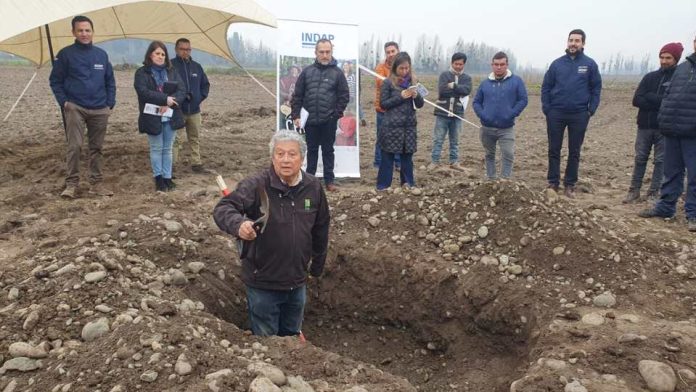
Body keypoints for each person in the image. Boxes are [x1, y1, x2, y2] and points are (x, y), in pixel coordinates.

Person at [213, 130, 330, 336]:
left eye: (292, 154)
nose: (286, 160)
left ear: (302, 158)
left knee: (292, 335)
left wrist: (316, 268)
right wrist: (239, 225)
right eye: (280, 154)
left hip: (297, 281)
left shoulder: (313, 187)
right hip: (263, 283)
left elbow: (321, 228)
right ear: (272, 157)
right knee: (268, 343)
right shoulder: (256, 185)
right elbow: (223, 208)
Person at [49, 15, 116, 199]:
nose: (84, 34)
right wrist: (64, 102)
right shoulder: (65, 54)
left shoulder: (101, 55)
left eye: (87, 30)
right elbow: (55, 80)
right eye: (80, 30)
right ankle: (71, 184)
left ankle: (97, 183)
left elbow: (110, 80)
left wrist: (110, 103)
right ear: (73, 32)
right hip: (75, 107)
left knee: (97, 147)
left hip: (100, 108)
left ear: (92, 32)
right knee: (75, 146)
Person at [639, 37, 696, 231]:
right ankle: (665, 207)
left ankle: (693, 214)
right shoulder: (683, 68)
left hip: (693, 133)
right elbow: (668, 96)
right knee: (671, 172)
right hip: (672, 130)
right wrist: (664, 119)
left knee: (695, 176)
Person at [541, 28, 602, 198]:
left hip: (579, 114)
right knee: (554, 149)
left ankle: (570, 184)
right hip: (556, 113)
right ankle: (553, 182)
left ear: (583, 44)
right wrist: (547, 108)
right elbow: (546, 86)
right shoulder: (557, 64)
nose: (573, 43)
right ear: (567, 42)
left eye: (577, 41)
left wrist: (591, 109)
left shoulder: (589, 64)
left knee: (574, 150)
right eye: (571, 40)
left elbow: (596, 88)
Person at [623, 43, 683, 204]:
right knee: (640, 158)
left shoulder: (678, 79)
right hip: (644, 126)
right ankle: (634, 190)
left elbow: (672, 103)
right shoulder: (650, 77)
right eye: (662, 57)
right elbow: (636, 100)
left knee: (660, 161)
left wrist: (650, 97)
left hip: (664, 128)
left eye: (668, 58)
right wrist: (660, 101)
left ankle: (653, 193)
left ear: (676, 59)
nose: (664, 61)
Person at [291, 39, 349, 192]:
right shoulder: (307, 72)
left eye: (327, 52)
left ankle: (329, 181)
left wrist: (335, 115)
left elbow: (344, 96)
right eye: (321, 52)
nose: (325, 55)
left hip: (328, 121)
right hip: (310, 121)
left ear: (331, 52)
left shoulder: (338, 73)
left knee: (328, 151)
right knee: (312, 150)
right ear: (315, 53)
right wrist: (296, 115)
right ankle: (310, 180)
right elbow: (297, 95)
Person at [134, 41, 186, 192]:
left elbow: (182, 90)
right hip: (152, 116)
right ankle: (158, 179)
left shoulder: (172, 71)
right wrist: (164, 99)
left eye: (163, 54)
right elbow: (143, 92)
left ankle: (167, 178)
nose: (160, 56)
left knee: (167, 148)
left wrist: (170, 103)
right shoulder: (142, 73)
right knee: (156, 148)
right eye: (157, 53)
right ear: (150, 54)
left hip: (170, 115)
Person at [473, 52, 528, 180]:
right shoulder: (485, 83)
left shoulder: (516, 81)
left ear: (507, 65)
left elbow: (523, 100)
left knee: (508, 153)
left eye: (502, 64)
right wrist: (483, 115)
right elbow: (476, 102)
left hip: (506, 128)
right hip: (487, 128)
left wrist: (512, 113)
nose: (499, 67)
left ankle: (504, 180)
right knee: (489, 154)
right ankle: (491, 179)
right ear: (492, 65)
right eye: (496, 64)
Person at [377, 52, 424, 190]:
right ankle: (383, 186)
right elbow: (383, 104)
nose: (404, 71)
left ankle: (408, 183)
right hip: (391, 128)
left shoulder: (414, 83)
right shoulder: (388, 83)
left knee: (407, 159)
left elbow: (420, 104)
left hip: (408, 128)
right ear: (395, 68)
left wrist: (416, 96)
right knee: (387, 158)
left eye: (407, 68)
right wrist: (401, 97)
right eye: (401, 68)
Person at [171, 38, 211, 174]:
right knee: (175, 139)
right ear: (176, 49)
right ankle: (172, 165)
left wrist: (199, 98)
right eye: (182, 49)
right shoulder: (170, 66)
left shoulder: (196, 67)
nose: (185, 52)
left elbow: (205, 85)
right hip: (177, 110)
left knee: (195, 138)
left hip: (194, 111)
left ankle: (196, 163)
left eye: (188, 49)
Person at [430, 52, 472, 170]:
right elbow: (442, 91)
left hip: (457, 114)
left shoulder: (467, 78)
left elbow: (467, 90)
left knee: (455, 140)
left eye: (461, 64)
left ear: (464, 64)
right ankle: (435, 161)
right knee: (438, 138)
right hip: (442, 112)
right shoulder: (444, 75)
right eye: (456, 64)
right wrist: (459, 91)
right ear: (451, 63)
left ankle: (454, 161)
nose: (458, 66)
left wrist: (454, 86)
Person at [374, 41, 402, 170]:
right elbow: (382, 83)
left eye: (393, 51)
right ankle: (378, 162)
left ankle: (397, 162)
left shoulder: (404, 67)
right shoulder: (380, 68)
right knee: (382, 136)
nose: (390, 54)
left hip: (399, 110)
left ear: (398, 51)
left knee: (398, 136)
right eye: (388, 52)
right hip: (383, 109)